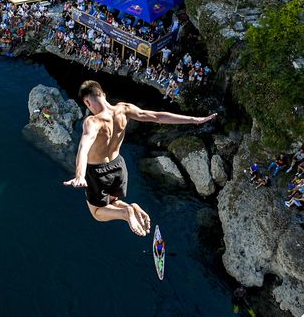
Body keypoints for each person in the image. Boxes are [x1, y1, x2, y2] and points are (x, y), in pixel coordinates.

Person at [64, 80, 216, 235]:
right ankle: (132, 208)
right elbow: (157, 117)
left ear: (88, 102)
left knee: (97, 213)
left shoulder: (92, 121)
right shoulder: (124, 109)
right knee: (113, 203)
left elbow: (84, 147)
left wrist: (79, 175)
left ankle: (126, 213)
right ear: (103, 94)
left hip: (98, 172)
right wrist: (194, 120)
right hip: (118, 167)